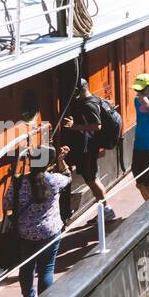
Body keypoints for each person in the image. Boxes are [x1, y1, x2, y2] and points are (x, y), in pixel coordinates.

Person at [4, 145, 72, 297]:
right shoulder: (54, 180)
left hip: (25, 233)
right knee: (47, 268)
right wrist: (62, 160)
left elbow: (7, 204)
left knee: (26, 267)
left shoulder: (19, 182)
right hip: (50, 232)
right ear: (50, 163)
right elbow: (68, 177)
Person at [60, 79, 117, 220]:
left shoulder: (88, 105)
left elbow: (97, 126)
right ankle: (104, 210)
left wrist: (74, 126)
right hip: (88, 147)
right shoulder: (95, 99)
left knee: (92, 179)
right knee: (92, 178)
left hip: (87, 149)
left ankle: (107, 210)